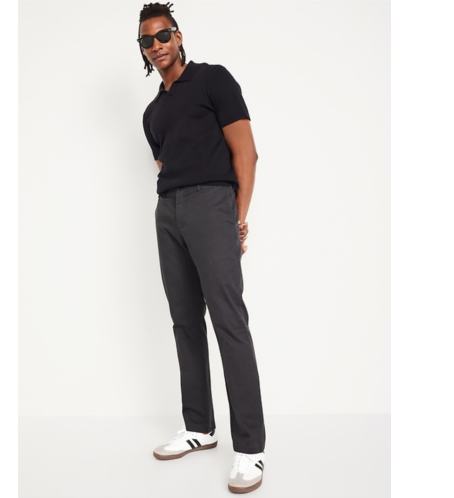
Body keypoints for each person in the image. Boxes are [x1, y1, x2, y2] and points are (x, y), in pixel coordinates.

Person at [137, 2, 266, 494]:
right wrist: (175, 211)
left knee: (229, 320)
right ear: (142, 50)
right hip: (167, 211)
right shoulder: (152, 112)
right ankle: (199, 427)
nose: (156, 45)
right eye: (146, 40)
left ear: (178, 35)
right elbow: (166, 165)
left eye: (162, 34)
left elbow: (246, 152)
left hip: (212, 203)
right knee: (185, 320)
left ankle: (250, 449)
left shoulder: (213, 79)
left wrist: (236, 216)